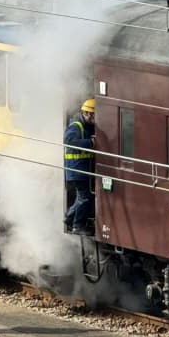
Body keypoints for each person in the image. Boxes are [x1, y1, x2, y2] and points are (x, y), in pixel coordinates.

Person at [64, 98, 96, 235]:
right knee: (85, 197)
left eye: (93, 115)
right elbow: (69, 141)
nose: (91, 117)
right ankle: (78, 226)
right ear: (85, 113)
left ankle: (69, 217)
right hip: (76, 169)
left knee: (82, 197)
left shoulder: (86, 126)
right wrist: (90, 143)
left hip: (81, 170)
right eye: (89, 114)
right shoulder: (76, 126)